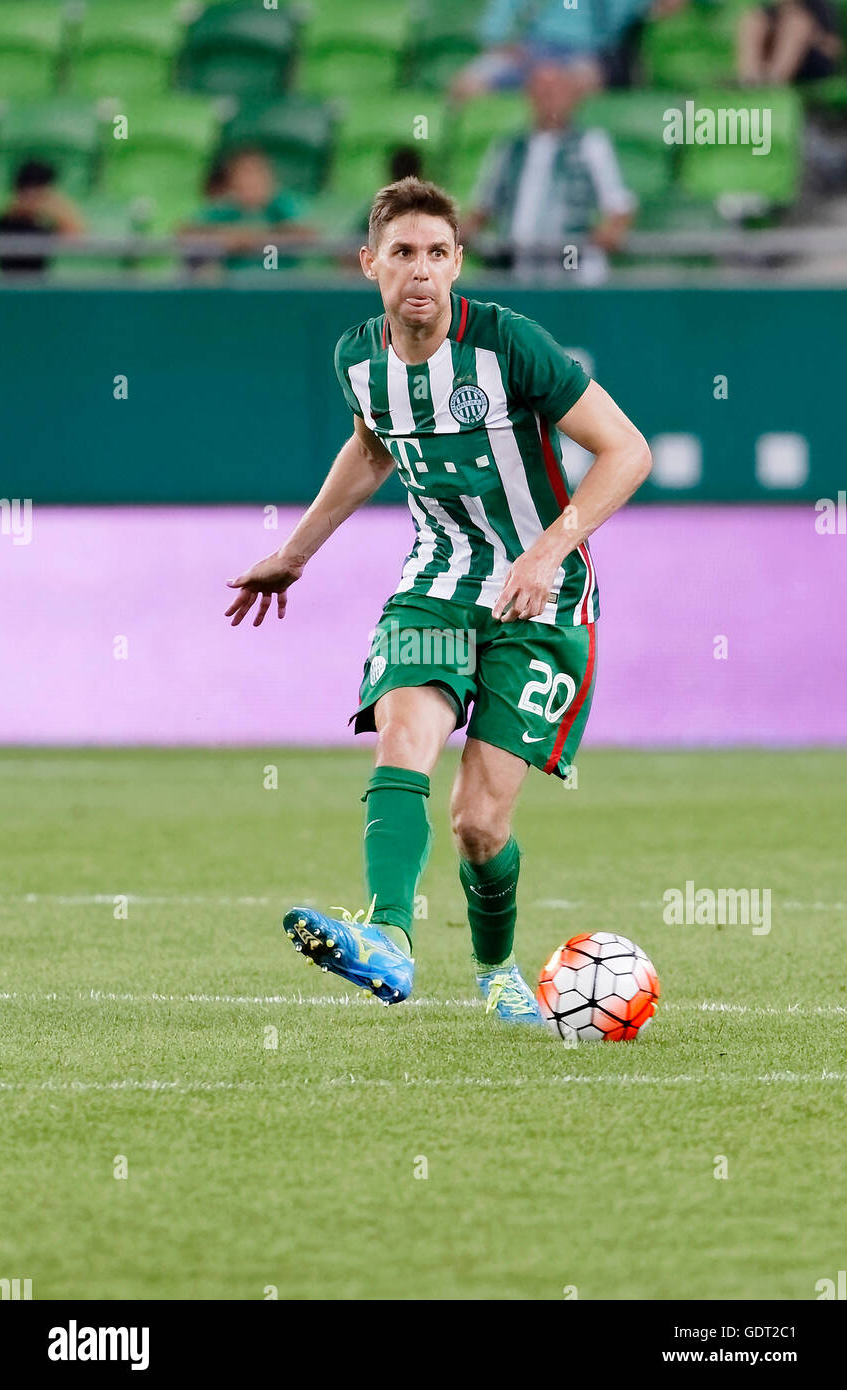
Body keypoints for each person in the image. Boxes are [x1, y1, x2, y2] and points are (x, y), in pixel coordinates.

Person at [224, 177, 651, 1024]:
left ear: (456, 262)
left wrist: (545, 550)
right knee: (403, 738)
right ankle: (387, 935)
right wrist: (294, 553)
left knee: (478, 827)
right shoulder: (356, 358)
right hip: (434, 586)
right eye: (401, 254)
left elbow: (626, 452)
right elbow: (371, 450)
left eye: (435, 254)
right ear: (369, 263)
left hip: (544, 600)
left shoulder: (508, 344)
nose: (419, 271)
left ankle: (495, 969)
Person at [464, 63, 636, 283]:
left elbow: (619, 207)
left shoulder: (591, 144)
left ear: (573, 97)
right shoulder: (509, 148)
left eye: (556, 91)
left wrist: (610, 231)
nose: (549, 99)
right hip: (516, 269)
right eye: (542, 92)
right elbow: (483, 207)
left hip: (572, 272)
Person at [451, 0, 656, 101]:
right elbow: (497, 22)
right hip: (530, 49)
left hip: (586, 54)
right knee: (467, 84)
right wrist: (502, 43)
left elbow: (638, 13)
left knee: (566, 85)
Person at [180, 148, 315, 272]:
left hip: (282, 285)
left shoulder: (282, 204)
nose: (250, 181)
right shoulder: (225, 209)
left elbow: (309, 232)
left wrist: (258, 238)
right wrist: (227, 238)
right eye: (244, 175)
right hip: (235, 288)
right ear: (232, 182)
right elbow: (185, 233)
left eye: (256, 174)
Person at [0, 160, 85, 278]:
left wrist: (58, 212)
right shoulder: (6, 220)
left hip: (42, 287)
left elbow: (79, 241)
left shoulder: (48, 222)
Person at [737, 0, 843, 84]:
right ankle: (750, 77)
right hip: (768, 66)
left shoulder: (819, 8)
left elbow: (833, 48)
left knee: (796, 23)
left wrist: (811, 36)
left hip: (811, 64)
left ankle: (775, 80)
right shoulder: (770, 11)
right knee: (754, 21)